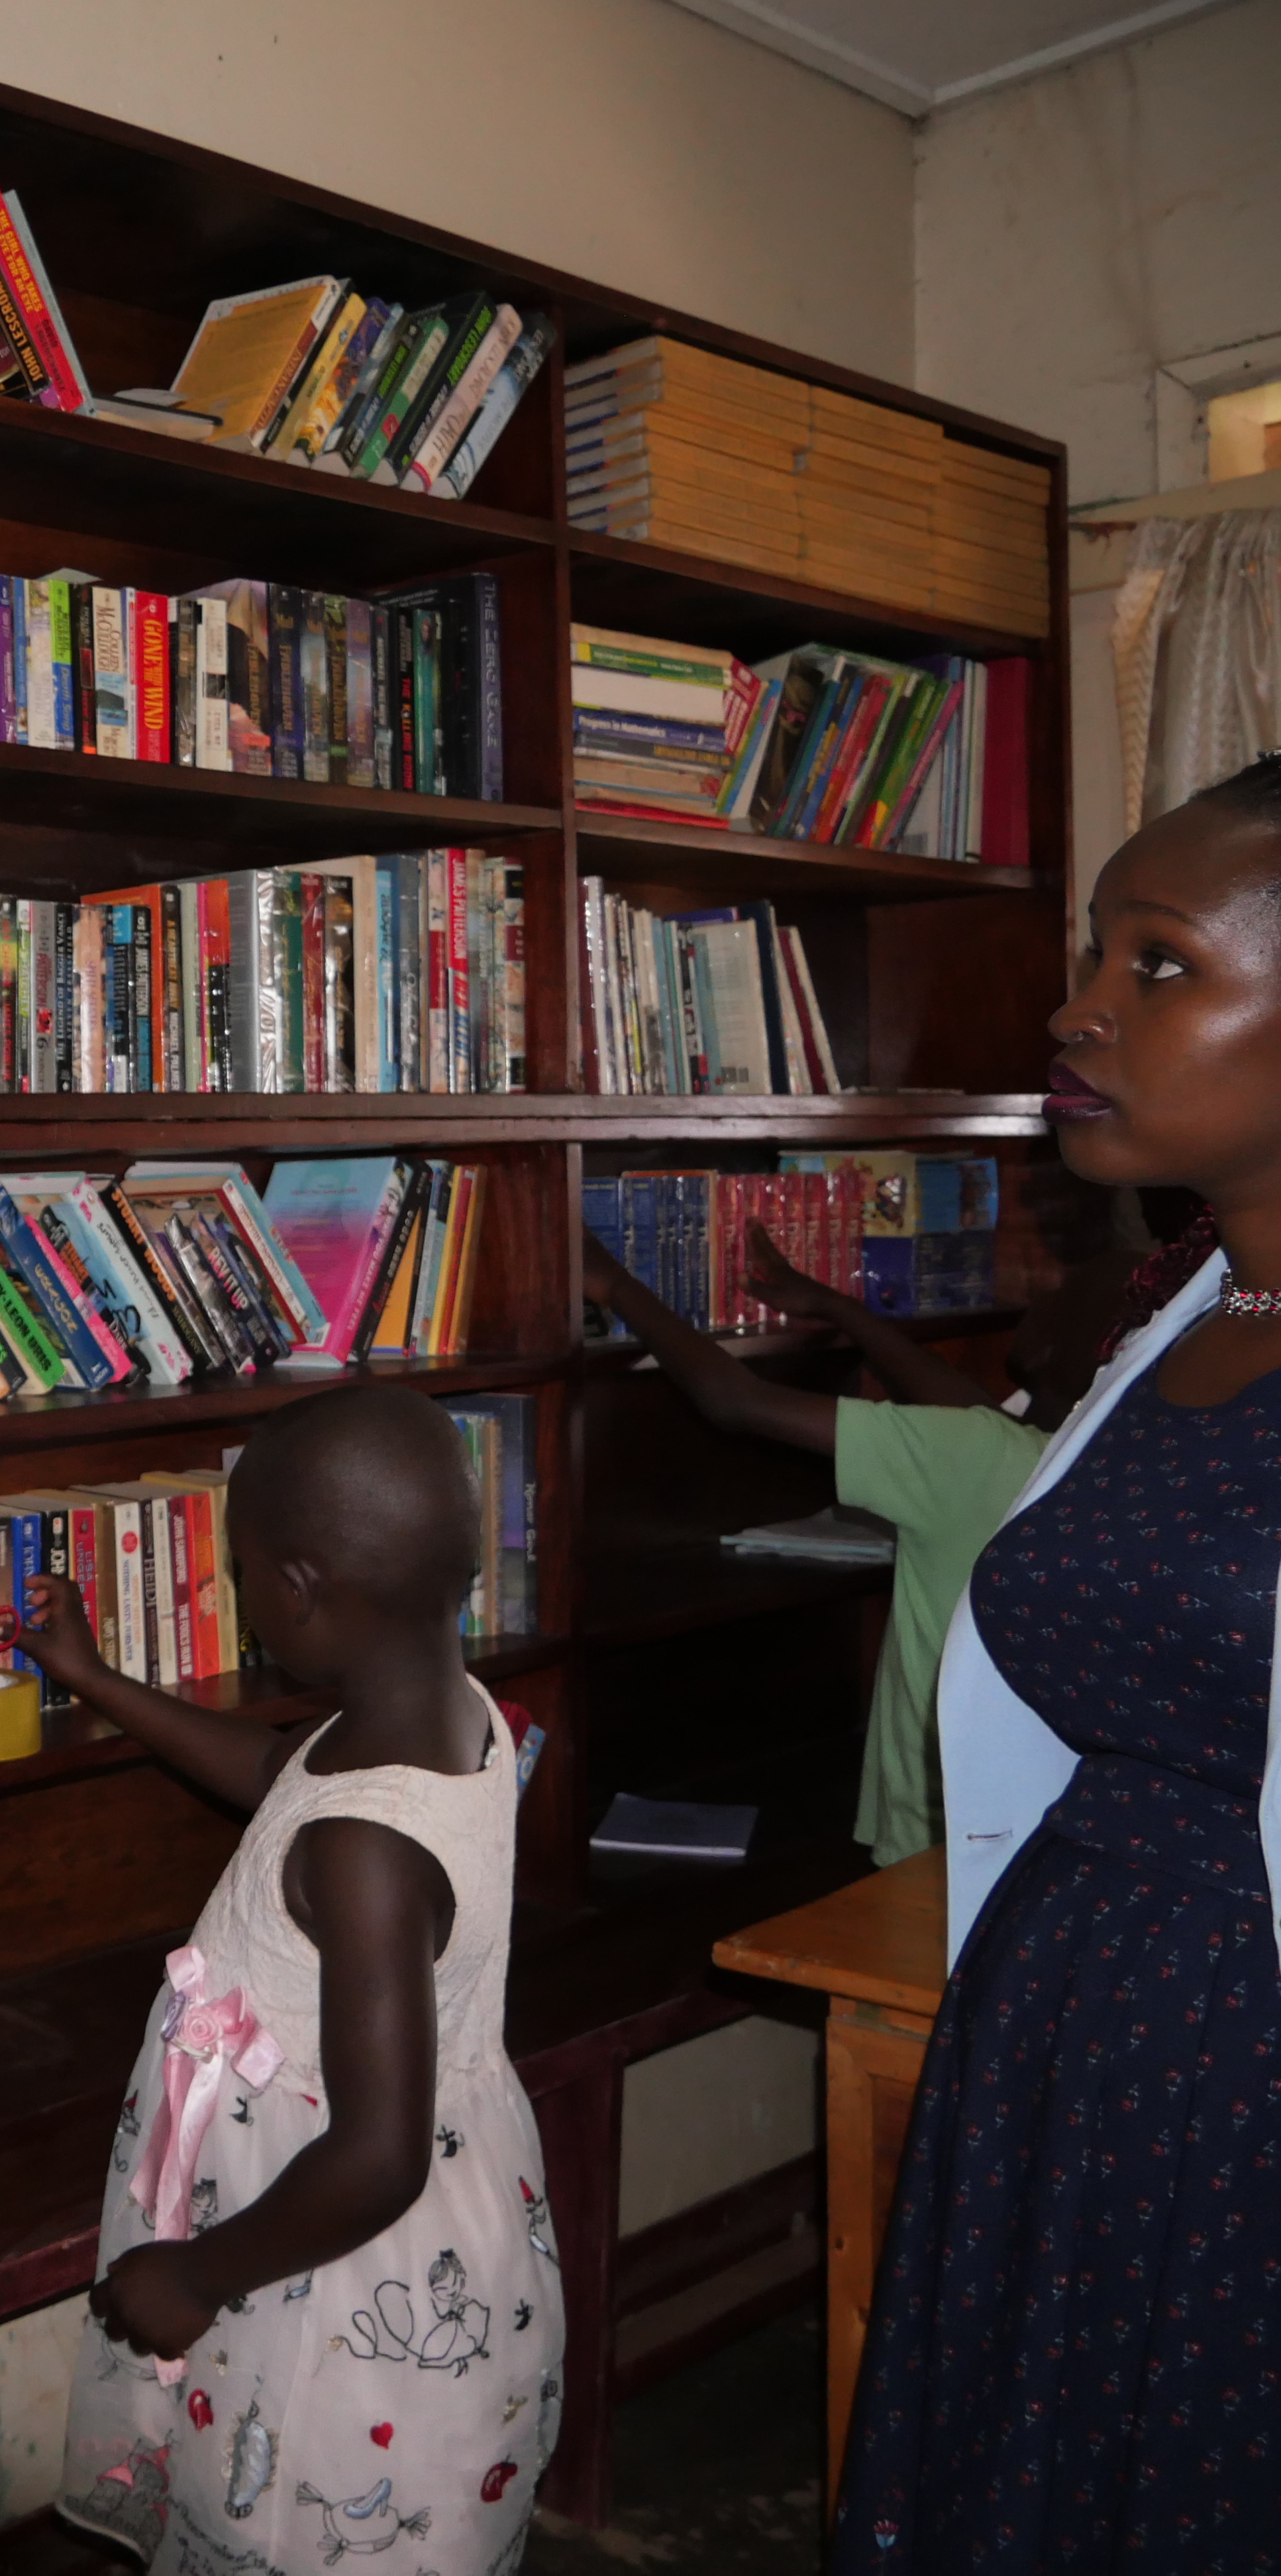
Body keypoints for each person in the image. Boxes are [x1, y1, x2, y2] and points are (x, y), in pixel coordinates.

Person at [836, 751, 1281, 2567]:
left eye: (1160, 964)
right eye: (1096, 949)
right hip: (1072, 2025)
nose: (1077, 1005)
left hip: (1243, 2066)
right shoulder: (1182, 1315)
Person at [35, 1381, 561, 2573]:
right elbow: (282, 1773)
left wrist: (192, 2274)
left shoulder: (366, 1850)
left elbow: (375, 2152)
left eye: (241, 1571)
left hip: (324, 2280)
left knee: (302, 2528)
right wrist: (98, 1679)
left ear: (295, 1588)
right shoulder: (440, 1714)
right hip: (389, 2235)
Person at [580, 1215, 1132, 1864]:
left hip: (936, 1839)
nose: (1041, 1297)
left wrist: (615, 1285)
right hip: (1019, 1824)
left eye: (1061, 1299)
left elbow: (734, 1398)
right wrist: (835, 1307)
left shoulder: (979, 1458)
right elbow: (967, 1412)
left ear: (1065, 1352)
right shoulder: (1083, 1458)